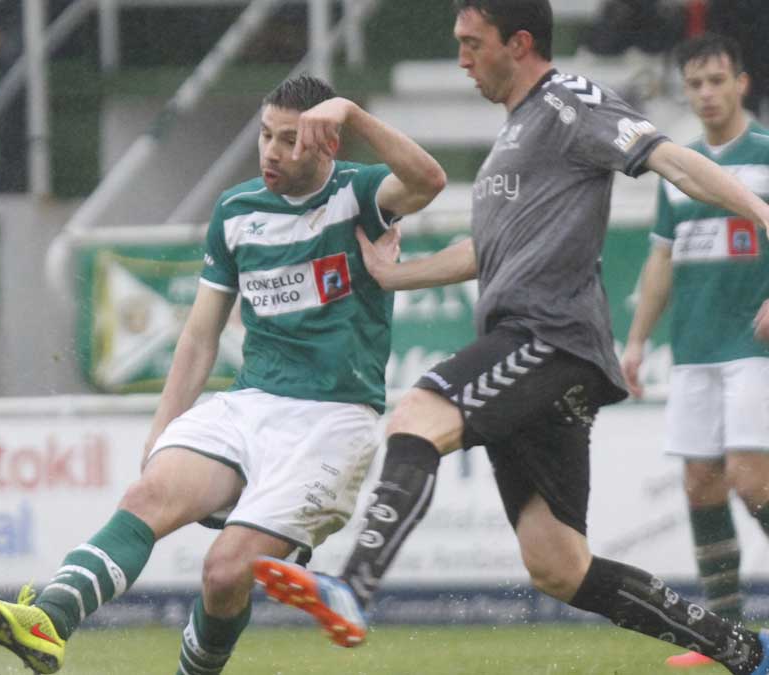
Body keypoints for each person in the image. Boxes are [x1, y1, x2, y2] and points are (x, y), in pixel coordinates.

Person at [252, 2, 769, 674]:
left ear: (519, 43)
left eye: (472, 43)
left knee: (419, 414)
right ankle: (746, 651)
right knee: (558, 564)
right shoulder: (516, 133)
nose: (462, 58)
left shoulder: (571, 103)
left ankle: (353, 586)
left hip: (551, 338)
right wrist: (394, 273)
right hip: (536, 349)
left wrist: (759, 209)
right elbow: (485, 251)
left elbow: (670, 159)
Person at [0, 73, 446, 674]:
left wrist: (352, 113)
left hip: (332, 420)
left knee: (223, 574)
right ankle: (49, 621)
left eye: (289, 140)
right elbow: (200, 334)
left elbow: (429, 180)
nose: (272, 152)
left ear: (325, 143)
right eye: (265, 136)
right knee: (147, 495)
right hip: (250, 404)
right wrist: (162, 428)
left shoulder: (360, 194)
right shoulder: (237, 210)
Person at [621, 33, 769, 669]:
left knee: (747, 476)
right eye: (696, 83)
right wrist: (634, 341)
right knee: (700, 483)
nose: (706, 93)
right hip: (695, 351)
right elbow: (661, 257)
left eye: (717, 80)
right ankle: (726, 639)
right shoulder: (677, 166)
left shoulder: (766, 155)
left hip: (753, 347)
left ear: (741, 83)